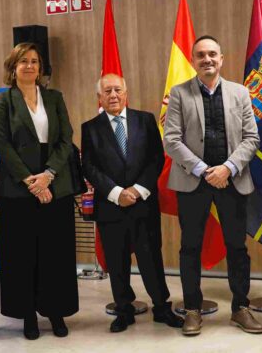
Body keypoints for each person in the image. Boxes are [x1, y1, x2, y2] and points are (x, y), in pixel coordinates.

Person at [163, 35, 262, 336]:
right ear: (193, 60)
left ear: (222, 58)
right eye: (201, 55)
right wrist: (205, 170)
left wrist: (228, 168)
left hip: (232, 180)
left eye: (212, 54)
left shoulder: (240, 93)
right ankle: (192, 310)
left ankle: (240, 308)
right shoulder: (179, 93)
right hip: (194, 180)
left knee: (237, 246)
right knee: (190, 247)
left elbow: (252, 138)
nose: (207, 59)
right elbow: (171, 139)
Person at [81, 74, 184, 333]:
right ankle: (123, 310)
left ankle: (162, 307)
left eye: (117, 90)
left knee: (151, 259)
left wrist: (137, 191)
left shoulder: (145, 120)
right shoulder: (90, 128)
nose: (113, 95)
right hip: (111, 206)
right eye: (107, 91)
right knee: (117, 262)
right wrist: (116, 192)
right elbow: (89, 167)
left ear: (126, 93)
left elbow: (156, 159)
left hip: (143, 204)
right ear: (99, 98)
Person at [0, 42, 78, 340]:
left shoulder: (54, 97)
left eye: (35, 62)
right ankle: (28, 315)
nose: (29, 66)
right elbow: (2, 145)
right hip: (19, 189)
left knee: (55, 253)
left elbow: (66, 138)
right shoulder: (4, 100)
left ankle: (55, 312)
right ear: (13, 67)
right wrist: (31, 182)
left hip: (55, 182)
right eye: (23, 61)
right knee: (23, 254)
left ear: (41, 69)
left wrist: (49, 175)